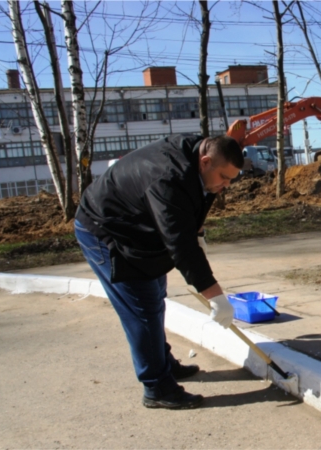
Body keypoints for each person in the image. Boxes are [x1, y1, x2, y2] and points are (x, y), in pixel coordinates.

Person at [74, 134, 244, 410]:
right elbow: (179, 244)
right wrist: (215, 296)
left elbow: (197, 201)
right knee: (141, 307)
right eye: (224, 177)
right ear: (205, 161)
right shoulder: (167, 178)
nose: (225, 186)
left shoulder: (197, 158)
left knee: (154, 295)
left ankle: (161, 363)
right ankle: (156, 386)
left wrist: (198, 230)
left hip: (137, 225)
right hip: (105, 231)